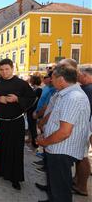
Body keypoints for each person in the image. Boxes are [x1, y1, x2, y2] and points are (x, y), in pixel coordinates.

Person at [36, 65, 90, 202]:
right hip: (58, 147)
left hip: (62, 149)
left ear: (61, 79)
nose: (50, 80)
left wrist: (44, 142)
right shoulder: (67, 94)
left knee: (61, 190)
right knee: (56, 185)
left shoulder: (73, 97)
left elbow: (64, 132)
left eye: (52, 77)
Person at [0, 58, 36, 190]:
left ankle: (15, 177)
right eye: (2, 70)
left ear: (12, 68)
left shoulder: (22, 84)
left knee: (15, 150)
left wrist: (18, 99)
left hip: (16, 122)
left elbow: (32, 98)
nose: (4, 72)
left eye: (7, 69)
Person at [72, 66, 92, 196]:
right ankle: (77, 180)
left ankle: (82, 186)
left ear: (85, 76)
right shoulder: (86, 88)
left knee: (83, 157)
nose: (78, 77)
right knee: (80, 156)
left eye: (79, 75)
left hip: (85, 126)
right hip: (84, 126)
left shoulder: (89, 89)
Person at [27, 75, 43, 148]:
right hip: (31, 110)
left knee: (33, 127)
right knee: (31, 126)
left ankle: (35, 143)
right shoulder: (35, 89)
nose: (30, 81)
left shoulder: (38, 90)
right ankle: (31, 140)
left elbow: (33, 101)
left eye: (31, 79)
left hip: (33, 111)